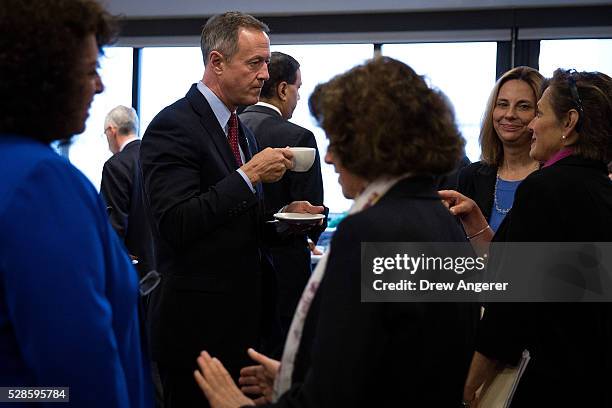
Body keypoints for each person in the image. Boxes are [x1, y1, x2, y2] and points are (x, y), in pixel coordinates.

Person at [193, 57, 480, 407]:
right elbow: (394, 359)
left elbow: (332, 398)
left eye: (337, 141)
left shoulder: (369, 232)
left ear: (371, 142)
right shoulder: (441, 221)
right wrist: (295, 380)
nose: (328, 158)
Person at [139, 12, 323, 408]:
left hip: (245, 324)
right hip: (197, 329)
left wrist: (286, 221)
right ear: (216, 63)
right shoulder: (173, 125)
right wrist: (247, 176)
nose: (264, 75)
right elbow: (175, 223)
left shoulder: (245, 130)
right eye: (254, 63)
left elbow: (242, 227)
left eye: (267, 64)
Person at [0, 1, 152, 407]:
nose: (99, 85)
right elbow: (80, 380)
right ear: (40, 78)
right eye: (89, 70)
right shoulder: (41, 181)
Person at [441, 69, 612, 407]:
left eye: (538, 112)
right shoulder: (602, 190)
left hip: (546, 379)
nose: (531, 125)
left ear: (569, 123)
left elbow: (512, 308)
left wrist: (469, 385)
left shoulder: (546, 188)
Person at [240, 51, 326, 344]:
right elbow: (312, 213)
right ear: (282, 89)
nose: (298, 97)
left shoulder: (230, 130)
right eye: (298, 88)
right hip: (284, 272)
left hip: (237, 269)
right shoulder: (299, 138)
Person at [457, 67, 543, 232]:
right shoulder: (470, 176)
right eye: (503, 104)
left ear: (540, 115)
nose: (510, 114)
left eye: (523, 106)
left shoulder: (553, 179)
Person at [101, 105, 156, 278]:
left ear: (111, 130)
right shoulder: (157, 157)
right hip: (163, 267)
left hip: (132, 272)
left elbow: (113, 226)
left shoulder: (115, 166)